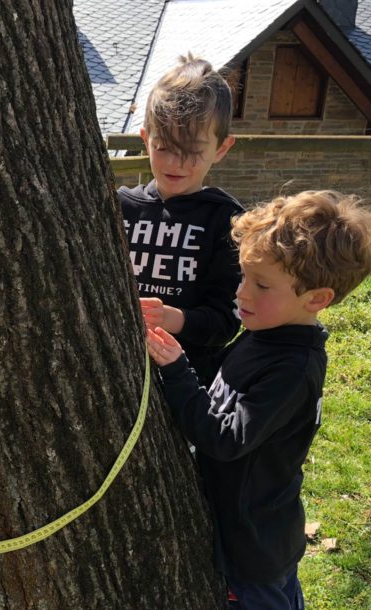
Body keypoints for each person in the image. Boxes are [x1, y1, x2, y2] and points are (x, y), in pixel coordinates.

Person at [145, 190, 371, 610]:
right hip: (269, 523)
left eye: (262, 285)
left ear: (316, 299)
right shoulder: (269, 333)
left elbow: (226, 438)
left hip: (252, 538)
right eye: (244, 278)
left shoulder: (291, 365)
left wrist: (176, 372)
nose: (242, 295)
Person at [120, 54, 243, 386]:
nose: (176, 162)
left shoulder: (227, 221)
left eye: (192, 151)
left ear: (222, 148)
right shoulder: (119, 207)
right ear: (145, 139)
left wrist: (170, 318)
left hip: (187, 382)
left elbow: (225, 323)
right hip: (120, 368)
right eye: (163, 147)